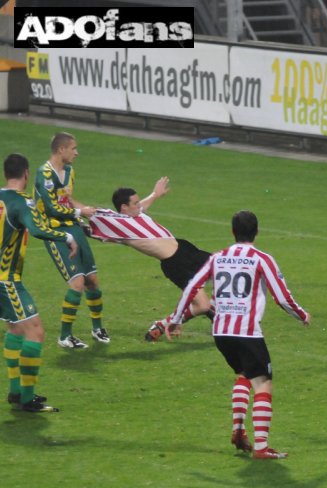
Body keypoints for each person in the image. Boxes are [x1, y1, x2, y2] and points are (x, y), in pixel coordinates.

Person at [164, 210, 310, 459]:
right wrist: (302, 315)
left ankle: (238, 429)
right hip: (247, 332)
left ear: (232, 231)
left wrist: (175, 319)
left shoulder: (218, 258)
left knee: (244, 373)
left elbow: (192, 286)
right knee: (263, 383)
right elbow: (282, 297)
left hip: (221, 331)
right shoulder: (262, 259)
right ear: (257, 231)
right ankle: (262, 448)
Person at [87, 177, 215, 341]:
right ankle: (164, 324)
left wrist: (156, 194)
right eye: (136, 203)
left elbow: (143, 207)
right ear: (124, 207)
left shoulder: (136, 215)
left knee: (226, 271)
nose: (140, 205)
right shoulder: (121, 226)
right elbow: (92, 218)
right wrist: (70, 205)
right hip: (175, 263)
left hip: (186, 249)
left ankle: (217, 318)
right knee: (202, 305)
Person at [1, 153, 78, 413]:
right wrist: (66, 237)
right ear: (25, 173)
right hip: (6, 281)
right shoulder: (22, 202)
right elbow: (36, 229)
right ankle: (27, 398)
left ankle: (15, 392)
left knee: (15, 329)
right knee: (36, 332)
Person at [33, 132, 107, 349]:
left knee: (92, 280)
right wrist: (79, 212)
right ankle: (65, 336)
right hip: (55, 233)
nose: (77, 152)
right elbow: (50, 207)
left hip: (73, 229)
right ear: (61, 150)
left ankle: (97, 328)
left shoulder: (70, 171)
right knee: (77, 283)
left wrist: (86, 211)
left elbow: (67, 200)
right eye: (73, 148)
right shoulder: (44, 173)